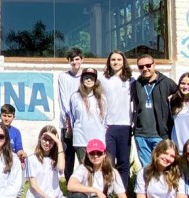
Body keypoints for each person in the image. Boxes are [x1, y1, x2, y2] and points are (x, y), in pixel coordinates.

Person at [131, 54, 178, 168]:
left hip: (160, 135)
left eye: (148, 65)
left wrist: (174, 98)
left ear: (154, 64)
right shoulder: (136, 84)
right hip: (141, 135)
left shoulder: (166, 83)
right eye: (141, 67)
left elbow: (182, 95)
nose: (145, 69)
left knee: (162, 167)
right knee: (146, 168)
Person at [99, 50, 135, 189]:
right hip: (109, 126)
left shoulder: (131, 81)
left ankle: (122, 194)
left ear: (123, 61)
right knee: (108, 162)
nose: (116, 62)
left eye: (119, 60)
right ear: (109, 62)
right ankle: (108, 191)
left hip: (125, 126)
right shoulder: (103, 79)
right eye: (113, 59)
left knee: (123, 162)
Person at [67, 67, 106, 166]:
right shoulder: (75, 97)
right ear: (82, 79)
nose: (89, 80)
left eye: (92, 78)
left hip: (98, 139)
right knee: (84, 168)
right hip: (81, 140)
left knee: (97, 169)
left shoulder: (101, 98)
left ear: (95, 80)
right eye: (86, 77)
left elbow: (104, 119)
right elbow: (73, 118)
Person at [58, 47, 83, 181]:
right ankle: (69, 186)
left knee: (83, 157)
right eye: (72, 60)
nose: (74, 62)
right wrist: (68, 120)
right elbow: (63, 99)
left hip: (82, 125)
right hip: (67, 124)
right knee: (68, 157)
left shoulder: (86, 76)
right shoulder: (63, 77)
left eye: (77, 59)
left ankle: (84, 184)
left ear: (81, 60)